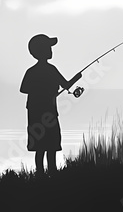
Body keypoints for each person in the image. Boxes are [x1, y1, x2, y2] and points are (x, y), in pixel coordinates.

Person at [20, 34, 83, 174]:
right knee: (50, 145)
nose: (51, 50)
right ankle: (52, 173)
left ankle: (41, 174)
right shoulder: (51, 69)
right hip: (48, 113)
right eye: (48, 47)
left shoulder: (31, 71)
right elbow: (66, 85)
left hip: (35, 113)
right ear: (41, 51)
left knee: (41, 147)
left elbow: (24, 88)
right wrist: (77, 78)